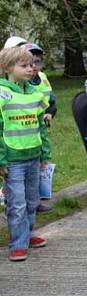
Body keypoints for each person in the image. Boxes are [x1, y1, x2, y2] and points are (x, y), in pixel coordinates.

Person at [0, 46, 50, 262]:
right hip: (13, 159)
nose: (31, 69)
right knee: (17, 203)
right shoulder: (3, 94)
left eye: (33, 65)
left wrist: (44, 154)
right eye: (25, 65)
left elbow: (40, 126)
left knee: (31, 200)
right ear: (8, 68)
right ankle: (17, 243)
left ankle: (28, 234)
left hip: (33, 156)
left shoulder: (34, 93)